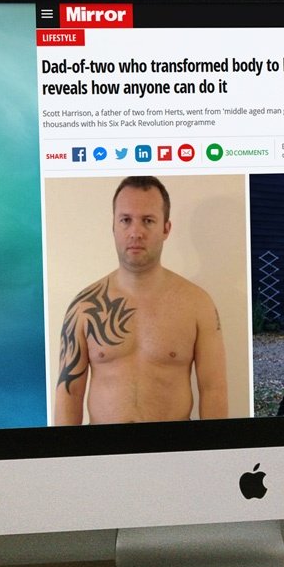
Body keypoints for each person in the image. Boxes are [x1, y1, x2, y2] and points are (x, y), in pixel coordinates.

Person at [54, 176, 227, 424]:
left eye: (148, 220)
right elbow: (69, 395)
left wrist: (215, 448)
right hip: (104, 448)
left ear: (166, 228)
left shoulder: (198, 304)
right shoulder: (84, 307)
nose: (136, 232)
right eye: (126, 220)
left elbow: (213, 390)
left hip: (174, 447)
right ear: (113, 226)